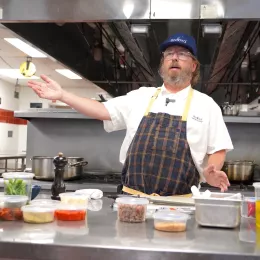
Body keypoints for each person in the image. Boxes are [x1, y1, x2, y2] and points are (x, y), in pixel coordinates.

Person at [28, 33, 233, 196]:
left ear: (194, 66)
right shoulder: (140, 97)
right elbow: (101, 110)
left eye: (183, 53)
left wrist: (211, 171)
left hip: (180, 205)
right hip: (132, 200)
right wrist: (63, 95)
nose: (175, 57)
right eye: (169, 53)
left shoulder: (207, 105)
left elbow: (218, 148)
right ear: (162, 64)